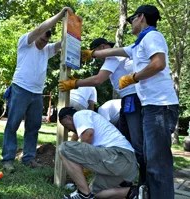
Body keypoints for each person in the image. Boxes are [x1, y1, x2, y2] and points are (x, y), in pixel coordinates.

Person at [81, 5, 179, 198]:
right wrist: (91, 54)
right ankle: (147, 192)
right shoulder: (138, 44)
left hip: (160, 106)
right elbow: (110, 52)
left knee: (157, 162)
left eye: (133, 19)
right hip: (152, 106)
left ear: (141, 17)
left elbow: (159, 63)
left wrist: (134, 77)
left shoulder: (152, 36)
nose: (131, 23)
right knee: (149, 158)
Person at [59, 38, 145, 185]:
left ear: (103, 47)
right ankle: (126, 181)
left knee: (136, 142)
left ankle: (144, 182)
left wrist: (75, 83)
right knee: (128, 139)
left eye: (94, 52)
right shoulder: (116, 57)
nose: (94, 57)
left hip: (132, 98)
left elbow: (98, 80)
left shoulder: (112, 57)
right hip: (128, 99)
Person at [1, 7, 74, 173]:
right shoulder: (25, 42)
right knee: (12, 125)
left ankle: (28, 158)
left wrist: (71, 24)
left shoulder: (46, 50)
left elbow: (64, 43)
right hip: (20, 89)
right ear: (36, 36)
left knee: (33, 127)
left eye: (46, 41)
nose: (43, 43)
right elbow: (41, 29)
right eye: (41, 40)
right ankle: (7, 160)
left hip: (37, 93)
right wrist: (62, 13)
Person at [58, 107, 138, 199]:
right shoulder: (89, 118)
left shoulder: (80, 114)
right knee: (95, 192)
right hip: (126, 166)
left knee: (64, 148)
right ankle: (134, 192)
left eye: (66, 125)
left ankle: (84, 194)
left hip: (119, 156)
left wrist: (78, 161)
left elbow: (88, 134)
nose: (68, 130)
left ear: (68, 117)